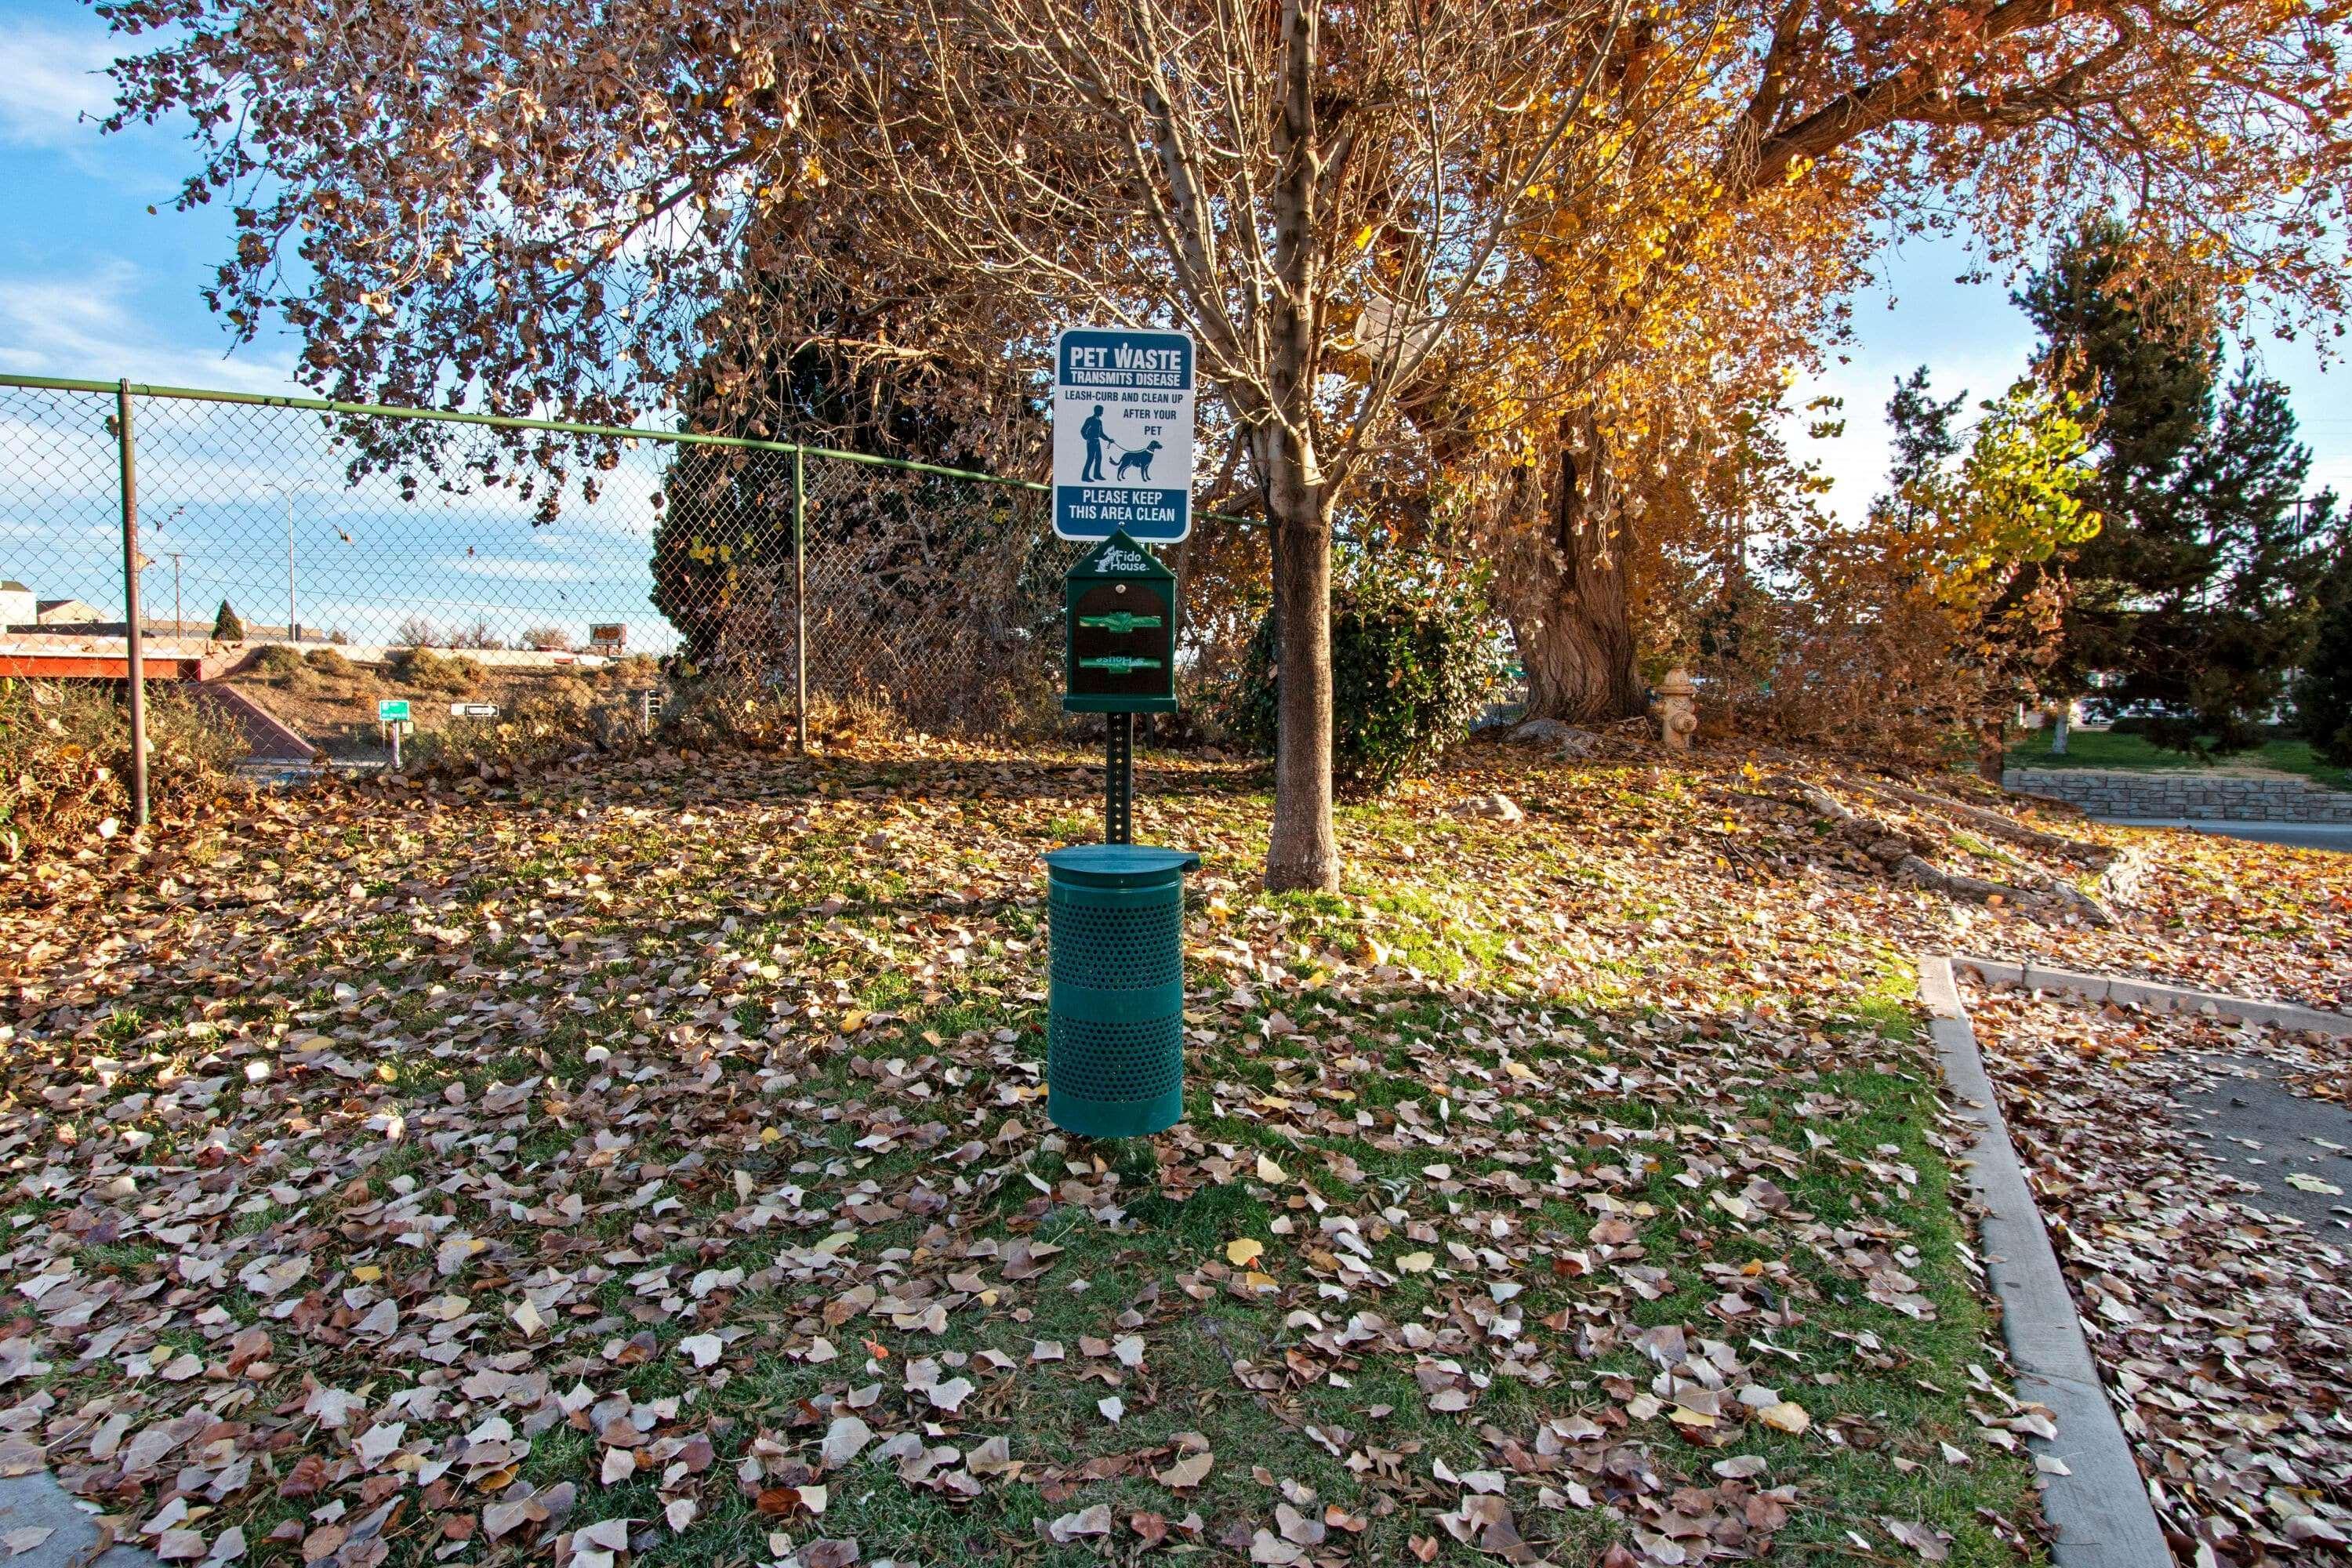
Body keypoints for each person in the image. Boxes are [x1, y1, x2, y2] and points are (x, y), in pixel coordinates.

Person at [1080, 405, 1112, 481]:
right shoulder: (1090, 419)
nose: (1102, 413)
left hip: (1097, 442)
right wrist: (1088, 438)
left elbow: (1101, 433)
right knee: (1090, 459)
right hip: (1091, 442)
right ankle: (1085, 477)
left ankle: (1097, 475)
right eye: (1101, 411)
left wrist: (1108, 439)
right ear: (1097, 411)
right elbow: (1083, 430)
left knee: (1099, 458)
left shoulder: (1099, 421)